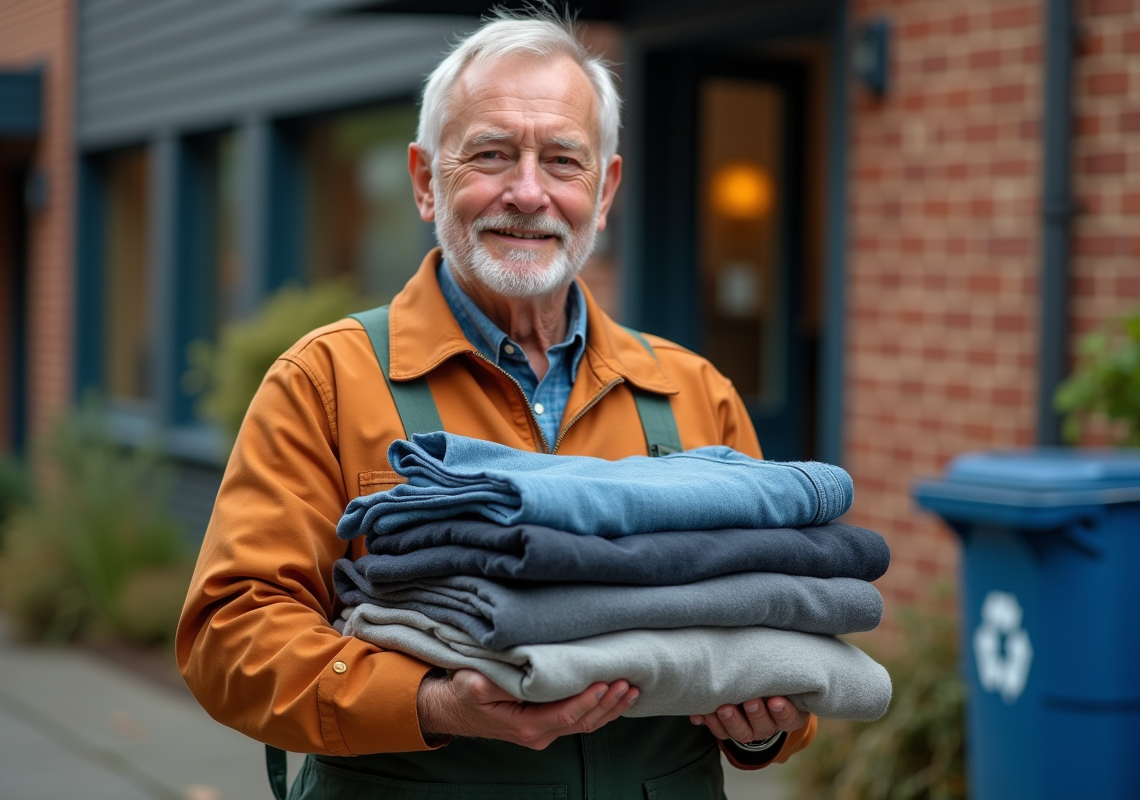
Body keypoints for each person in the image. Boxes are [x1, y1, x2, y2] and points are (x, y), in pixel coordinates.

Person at [177, 9, 816, 797]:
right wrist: (430, 702)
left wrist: (767, 722)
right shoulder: (326, 382)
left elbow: (786, 625)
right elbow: (229, 636)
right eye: (491, 154)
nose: (528, 192)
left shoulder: (694, 392)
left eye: (563, 161)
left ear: (605, 191)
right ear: (425, 180)